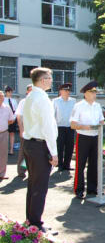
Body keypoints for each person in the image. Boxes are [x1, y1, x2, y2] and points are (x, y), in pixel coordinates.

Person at [22, 67, 58, 231]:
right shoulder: (42, 99)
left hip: (29, 143)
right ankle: (35, 223)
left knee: (33, 183)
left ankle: (31, 219)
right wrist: (54, 153)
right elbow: (48, 128)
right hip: (39, 145)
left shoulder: (30, 96)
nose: (51, 80)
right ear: (43, 80)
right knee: (40, 186)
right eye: (49, 78)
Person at [70, 81, 105, 199]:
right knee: (80, 164)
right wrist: (84, 126)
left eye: (96, 92)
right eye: (92, 92)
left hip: (95, 137)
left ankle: (92, 188)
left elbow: (101, 120)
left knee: (94, 164)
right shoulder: (78, 106)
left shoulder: (98, 106)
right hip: (83, 137)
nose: (95, 94)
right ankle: (79, 189)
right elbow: (73, 125)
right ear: (86, 93)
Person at [53, 83, 76, 171]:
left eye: (68, 90)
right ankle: (60, 165)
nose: (67, 92)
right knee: (60, 146)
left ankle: (67, 164)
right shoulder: (55, 101)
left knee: (69, 147)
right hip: (59, 127)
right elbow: (53, 114)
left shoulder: (73, 101)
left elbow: (75, 114)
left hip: (70, 127)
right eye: (65, 90)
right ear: (61, 91)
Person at [15, 84, 33, 178]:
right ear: (27, 92)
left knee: (33, 152)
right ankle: (21, 171)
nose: (32, 92)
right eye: (30, 90)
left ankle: (31, 170)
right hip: (26, 130)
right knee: (23, 151)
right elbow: (19, 116)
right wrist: (21, 130)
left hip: (35, 132)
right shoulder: (23, 101)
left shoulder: (37, 102)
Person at [0, 91, 14, 180]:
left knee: (3, 154)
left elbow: (11, 120)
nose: (1, 98)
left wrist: (3, 124)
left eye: (2, 96)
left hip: (4, 133)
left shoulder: (7, 108)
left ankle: (1, 174)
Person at [4, 86, 18, 155]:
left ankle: (11, 149)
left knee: (12, 134)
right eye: (8, 92)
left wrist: (13, 118)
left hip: (12, 119)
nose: (10, 93)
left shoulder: (14, 100)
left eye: (11, 92)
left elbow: (16, 110)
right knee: (4, 135)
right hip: (5, 120)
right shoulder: (3, 100)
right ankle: (4, 150)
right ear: (6, 92)